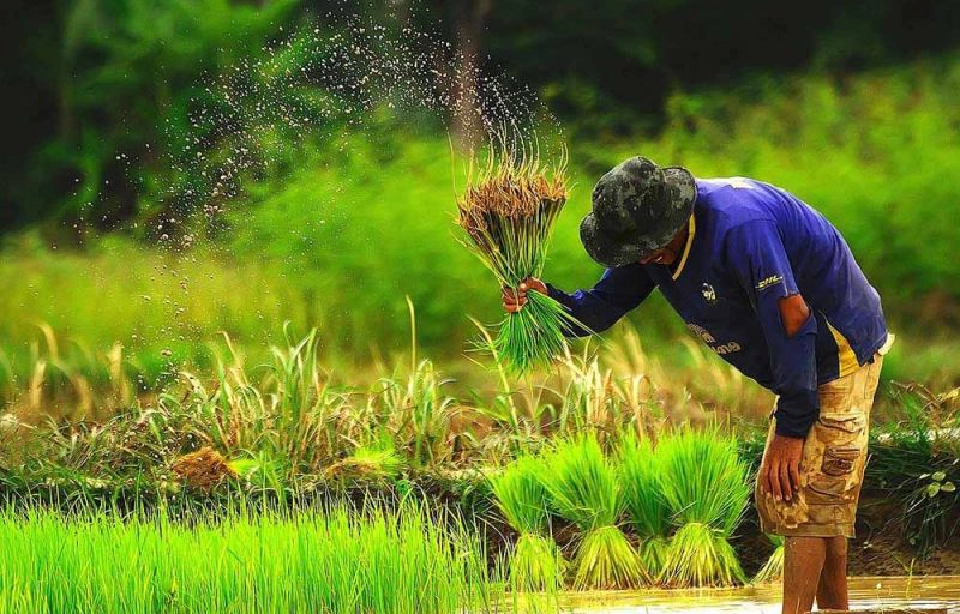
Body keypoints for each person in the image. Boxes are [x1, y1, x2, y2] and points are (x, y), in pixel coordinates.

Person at [503, 156, 893, 614]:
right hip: (797, 357)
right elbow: (599, 308)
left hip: (835, 346)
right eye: (638, 252)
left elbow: (793, 323)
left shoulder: (740, 230)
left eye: (652, 247)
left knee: (802, 497)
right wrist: (545, 303)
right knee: (816, 497)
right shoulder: (647, 245)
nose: (648, 258)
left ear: (675, 216)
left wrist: (791, 429)